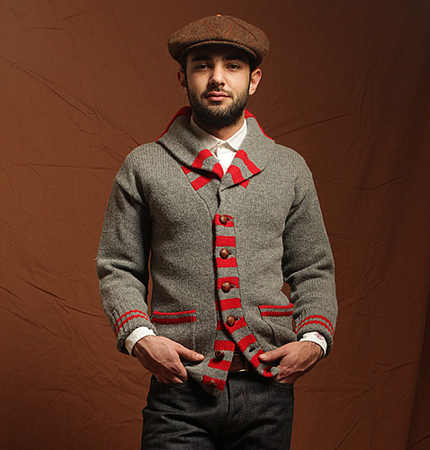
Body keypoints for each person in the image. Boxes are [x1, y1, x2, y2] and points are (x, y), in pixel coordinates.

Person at [96, 14, 337, 450]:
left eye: (233, 66)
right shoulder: (144, 165)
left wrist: (314, 340)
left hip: (268, 392)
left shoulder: (289, 168)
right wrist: (139, 338)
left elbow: (313, 267)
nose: (217, 78)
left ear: (254, 79)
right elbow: (118, 266)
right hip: (179, 392)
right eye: (203, 65)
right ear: (183, 77)